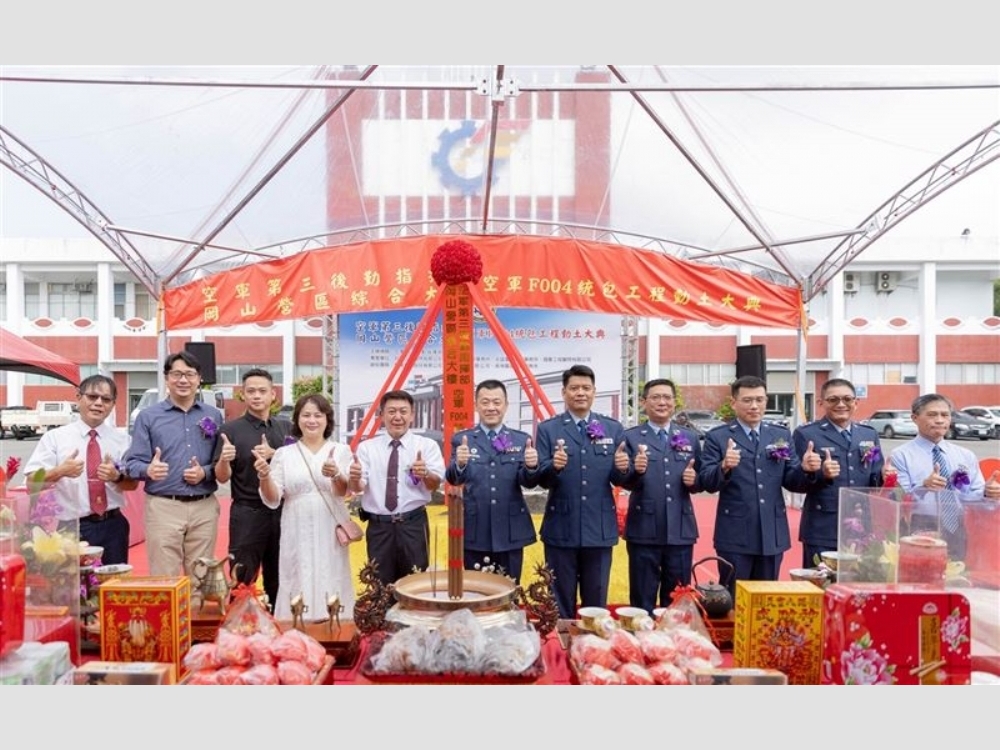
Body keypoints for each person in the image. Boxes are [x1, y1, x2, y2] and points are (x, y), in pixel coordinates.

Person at [699, 375, 821, 599]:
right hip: (735, 532)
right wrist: (724, 467)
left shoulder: (780, 435)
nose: (754, 406)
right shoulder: (718, 437)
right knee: (733, 598)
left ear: (766, 401)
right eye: (747, 400)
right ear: (734, 403)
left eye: (759, 400)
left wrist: (806, 469)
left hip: (772, 532)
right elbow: (706, 481)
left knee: (766, 598)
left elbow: (792, 481)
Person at [533, 364, 629, 619]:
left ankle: (591, 650)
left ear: (594, 392)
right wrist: (553, 466)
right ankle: (562, 650)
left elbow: (621, 478)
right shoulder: (548, 429)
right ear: (563, 393)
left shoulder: (612, 428)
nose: (580, 393)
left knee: (596, 600)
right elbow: (540, 478)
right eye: (574, 388)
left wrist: (624, 469)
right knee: (560, 599)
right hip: (560, 527)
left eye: (586, 388)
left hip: (598, 527)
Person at [123, 351, 223, 578]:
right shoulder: (148, 417)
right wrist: (148, 469)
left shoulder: (213, 415)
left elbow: (220, 462)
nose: (183, 380)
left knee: (200, 577)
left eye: (190, 374)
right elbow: (132, 463)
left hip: (204, 506)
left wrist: (205, 473)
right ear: (166, 378)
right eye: (177, 374)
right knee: (164, 577)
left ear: (199, 379)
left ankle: (194, 612)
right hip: (163, 506)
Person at [256, 393, 355, 621]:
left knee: (332, 571)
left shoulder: (340, 451)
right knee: (296, 570)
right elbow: (273, 497)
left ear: (327, 419)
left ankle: (336, 624)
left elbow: (344, 491)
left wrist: (337, 474)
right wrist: (264, 476)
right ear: (297, 420)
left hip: (330, 525)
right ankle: (296, 625)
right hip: (295, 523)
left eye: (318, 415)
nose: (312, 420)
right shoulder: (284, 454)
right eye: (306, 415)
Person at [24, 375, 138, 564]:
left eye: (106, 399)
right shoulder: (55, 438)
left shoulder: (123, 440)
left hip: (113, 525)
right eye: (92, 397)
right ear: (78, 397)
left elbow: (132, 485)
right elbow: (31, 483)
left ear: (113, 404)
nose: (98, 403)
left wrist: (116, 477)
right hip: (72, 527)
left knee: (113, 586)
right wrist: (60, 471)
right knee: (74, 589)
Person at [619, 378, 704, 613]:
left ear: (674, 403)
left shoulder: (690, 437)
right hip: (644, 528)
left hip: (680, 529)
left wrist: (694, 481)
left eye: (667, 397)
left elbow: (700, 479)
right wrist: (635, 470)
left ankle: (673, 646)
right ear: (643, 402)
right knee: (642, 599)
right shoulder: (630, 437)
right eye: (655, 397)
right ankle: (642, 645)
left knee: (677, 600)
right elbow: (622, 479)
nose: (662, 402)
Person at [348, 390, 446, 586]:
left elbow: (435, 485)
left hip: (413, 524)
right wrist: (355, 477)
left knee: (415, 584)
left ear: (412, 415)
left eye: (403, 411)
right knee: (379, 586)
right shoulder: (367, 448)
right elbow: (358, 487)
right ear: (381, 415)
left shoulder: (427, 446)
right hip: (379, 527)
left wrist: (425, 474)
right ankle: (382, 617)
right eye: (391, 411)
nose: (398, 417)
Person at [444, 379, 538, 583]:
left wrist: (531, 467)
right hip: (475, 528)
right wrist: (460, 463)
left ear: (506, 405)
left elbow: (528, 482)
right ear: (476, 405)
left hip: (511, 528)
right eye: (485, 402)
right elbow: (454, 478)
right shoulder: (463, 439)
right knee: (476, 592)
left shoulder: (521, 439)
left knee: (509, 591)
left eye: (496, 402)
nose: (491, 407)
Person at [212, 368, 290, 612]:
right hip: (247, 513)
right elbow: (221, 477)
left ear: (273, 395)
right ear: (242, 395)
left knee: (281, 576)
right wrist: (224, 459)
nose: (257, 396)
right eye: (251, 391)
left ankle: (280, 630)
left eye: (262, 391)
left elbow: (299, 464)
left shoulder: (286, 429)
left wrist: (275, 454)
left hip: (283, 513)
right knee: (242, 577)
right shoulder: (230, 431)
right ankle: (238, 632)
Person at [890, 393, 1000, 558]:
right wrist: (924, 486)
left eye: (945, 415)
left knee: (956, 574)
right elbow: (899, 498)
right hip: (918, 525)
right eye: (932, 415)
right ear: (915, 418)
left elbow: (972, 495)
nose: (940, 420)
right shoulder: (900, 455)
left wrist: (987, 493)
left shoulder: (965, 455)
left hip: (956, 525)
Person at [791, 378, 885, 568]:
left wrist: (888, 477)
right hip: (823, 527)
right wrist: (817, 473)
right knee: (821, 585)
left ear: (856, 403)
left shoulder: (868, 434)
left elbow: (875, 480)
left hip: (862, 527)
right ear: (821, 403)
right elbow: (794, 483)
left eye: (847, 399)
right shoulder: (807, 434)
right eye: (833, 400)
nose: (841, 404)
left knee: (858, 587)